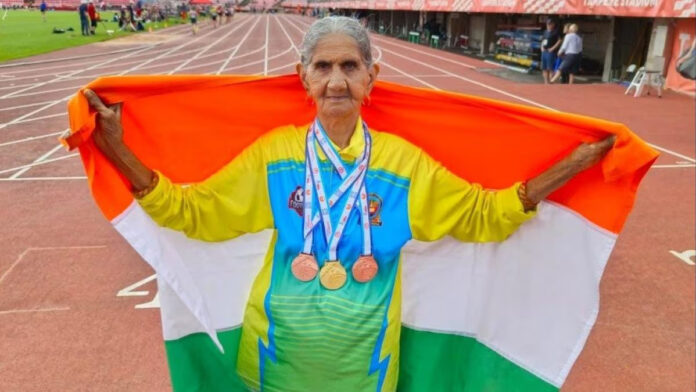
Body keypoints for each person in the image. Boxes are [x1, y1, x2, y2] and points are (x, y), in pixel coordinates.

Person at [82, 16, 614, 391]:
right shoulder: (274, 156)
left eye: (350, 66)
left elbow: (485, 217)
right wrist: (117, 149)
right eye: (323, 66)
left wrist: (571, 166)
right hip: (273, 361)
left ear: (370, 78)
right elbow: (191, 212)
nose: (336, 80)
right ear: (303, 77)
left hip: (367, 367)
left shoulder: (403, 166)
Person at [541, 19, 561, 84]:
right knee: (544, 68)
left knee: (550, 68)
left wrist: (553, 48)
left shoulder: (555, 32)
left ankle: (551, 82)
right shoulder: (545, 32)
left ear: (553, 25)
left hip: (550, 52)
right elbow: (543, 40)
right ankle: (546, 82)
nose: (548, 25)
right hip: (544, 51)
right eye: (547, 24)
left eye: (550, 24)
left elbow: (559, 40)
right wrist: (541, 47)